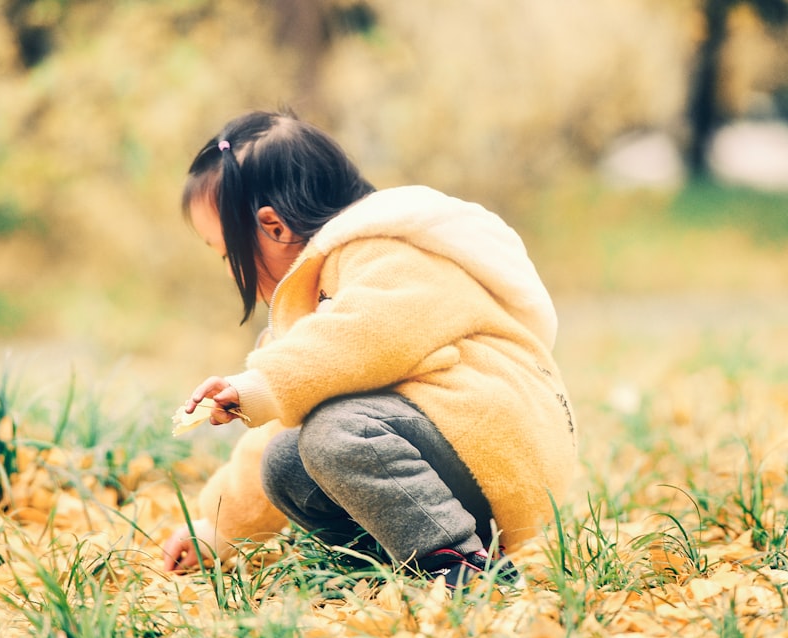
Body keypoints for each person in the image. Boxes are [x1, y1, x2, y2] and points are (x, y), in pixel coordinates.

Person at [161, 110, 576, 588]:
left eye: (226, 253)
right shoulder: (314, 301)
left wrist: (262, 383)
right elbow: (278, 421)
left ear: (272, 227)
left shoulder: (388, 251)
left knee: (336, 434)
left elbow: (367, 333)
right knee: (284, 463)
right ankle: (394, 560)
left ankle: (462, 567)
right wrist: (217, 532)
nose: (232, 271)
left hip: (495, 444)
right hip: (439, 459)